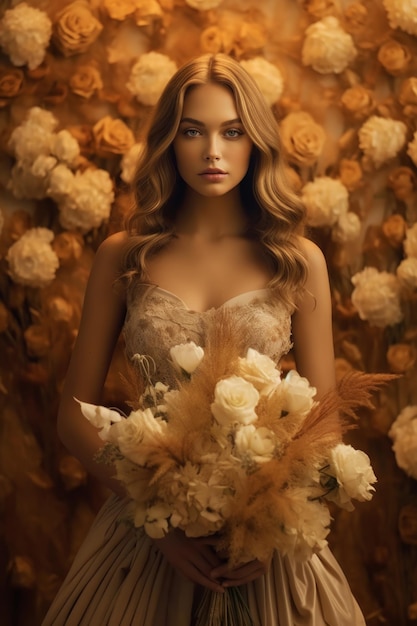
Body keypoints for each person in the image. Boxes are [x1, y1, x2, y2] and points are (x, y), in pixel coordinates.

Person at [42, 53, 365, 625]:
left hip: (267, 553)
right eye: (192, 131)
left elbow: (325, 426)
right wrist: (159, 522)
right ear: (169, 140)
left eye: (232, 131)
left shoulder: (298, 262)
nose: (212, 151)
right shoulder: (123, 256)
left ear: (255, 142)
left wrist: (270, 526)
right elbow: (73, 416)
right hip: (146, 541)